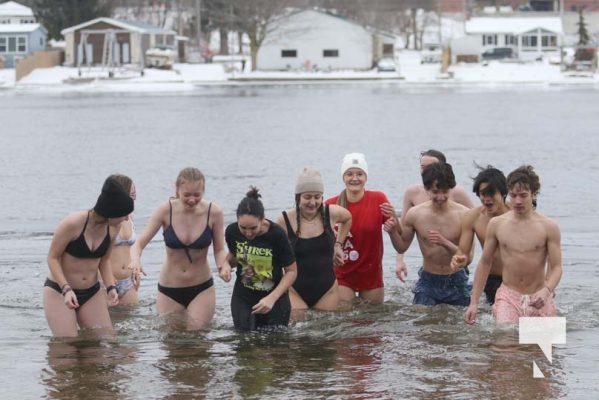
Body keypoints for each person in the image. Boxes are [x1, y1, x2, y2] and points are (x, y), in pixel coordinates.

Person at [130, 167, 226, 330]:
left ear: (203, 191)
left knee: (198, 339)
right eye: (186, 195)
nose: (191, 200)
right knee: (171, 344)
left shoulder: (214, 212)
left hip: (202, 287)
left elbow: (219, 249)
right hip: (169, 288)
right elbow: (138, 244)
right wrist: (135, 261)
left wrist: (223, 266)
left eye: (197, 195)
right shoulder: (165, 210)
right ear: (177, 190)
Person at [464, 165, 562, 324]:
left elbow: (556, 266)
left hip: (539, 296)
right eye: (513, 195)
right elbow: (485, 262)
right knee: (504, 343)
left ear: (534, 194)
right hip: (508, 297)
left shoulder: (549, 227)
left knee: (543, 348)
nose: (517, 201)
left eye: (523, 195)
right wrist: (473, 303)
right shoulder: (497, 224)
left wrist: (547, 290)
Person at [43, 175, 134, 337]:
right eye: (124, 214)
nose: (127, 218)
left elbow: (104, 260)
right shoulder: (73, 223)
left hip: (91, 292)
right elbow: (52, 258)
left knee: (105, 340)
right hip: (60, 290)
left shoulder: (113, 228)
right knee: (67, 346)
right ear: (111, 212)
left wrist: (110, 287)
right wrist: (66, 289)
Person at [389, 162, 471, 306]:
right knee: (423, 324)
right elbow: (401, 247)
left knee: (462, 324)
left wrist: (444, 242)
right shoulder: (415, 214)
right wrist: (392, 231)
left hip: (456, 279)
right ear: (426, 190)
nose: (440, 197)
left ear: (451, 189)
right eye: (435, 192)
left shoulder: (464, 215)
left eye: (445, 192)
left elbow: (468, 259)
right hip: (428, 280)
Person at [325, 152, 400, 305]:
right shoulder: (330, 205)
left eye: (360, 174)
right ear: (343, 177)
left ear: (366, 177)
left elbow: (400, 236)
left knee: (372, 320)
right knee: (345, 319)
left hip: (371, 273)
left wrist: (394, 222)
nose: (355, 178)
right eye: (349, 174)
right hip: (342, 274)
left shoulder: (378, 199)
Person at [219, 186, 297, 331]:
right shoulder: (232, 232)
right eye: (243, 228)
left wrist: (272, 298)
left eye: (253, 228)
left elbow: (292, 271)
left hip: (274, 299)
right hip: (243, 298)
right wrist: (226, 265)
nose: (248, 233)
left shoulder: (277, 235)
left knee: (275, 347)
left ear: (262, 219)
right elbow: (234, 256)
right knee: (243, 345)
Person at [275, 167, 352, 312]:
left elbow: (347, 218)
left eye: (317, 197)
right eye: (307, 197)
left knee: (327, 332)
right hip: (294, 290)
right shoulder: (284, 220)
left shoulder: (331, 213)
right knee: (297, 332)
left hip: (327, 290)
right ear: (298, 197)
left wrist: (338, 245)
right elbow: (274, 252)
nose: (312, 202)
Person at [395, 149, 474, 282]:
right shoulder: (413, 194)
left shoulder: (458, 194)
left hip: (456, 268)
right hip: (430, 271)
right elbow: (404, 234)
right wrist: (399, 260)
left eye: (430, 167)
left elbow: (478, 220)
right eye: (422, 167)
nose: (440, 197)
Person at [450, 165, 510, 305]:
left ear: (503, 193)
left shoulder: (517, 214)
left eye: (491, 194)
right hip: (492, 278)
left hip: (520, 278)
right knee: (501, 324)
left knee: (531, 324)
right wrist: (459, 259)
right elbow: (463, 251)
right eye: (483, 194)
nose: (487, 199)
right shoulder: (473, 217)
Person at [109, 174, 140, 305]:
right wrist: (106, 278)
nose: (133, 198)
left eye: (134, 194)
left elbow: (132, 248)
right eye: (130, 195)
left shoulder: (129, 217)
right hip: (107, 281)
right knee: (106, 324)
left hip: (128, 281)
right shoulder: (105, 218)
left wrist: (136, 266)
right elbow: (95, 252)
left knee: (133, 321)